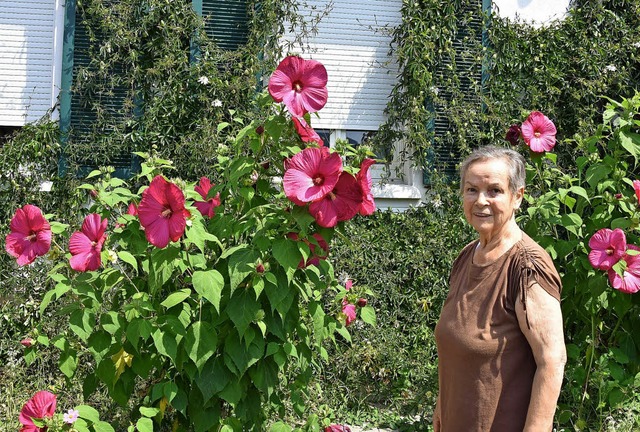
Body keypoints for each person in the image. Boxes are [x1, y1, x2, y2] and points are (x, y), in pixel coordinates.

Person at [433, 146, 566, 431]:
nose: (481, 201)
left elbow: (552, 362)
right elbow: (456, 344)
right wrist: (441, 406)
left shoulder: (527, 266)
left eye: (494, 191)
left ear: (517, 197)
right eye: (471, 190)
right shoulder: (467, 255)